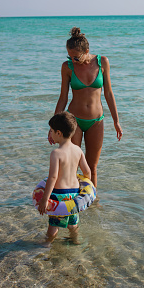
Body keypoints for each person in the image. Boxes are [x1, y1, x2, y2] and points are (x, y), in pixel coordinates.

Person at [49, 27, 123, 188]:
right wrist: (53, 127)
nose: (73, 60)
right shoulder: (67, 67)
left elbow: (109, 93)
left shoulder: (102, 62)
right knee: (72, 166)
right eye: (70, 56)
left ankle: (93, 206)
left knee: (92, 168)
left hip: (96, 121)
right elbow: (63, 97)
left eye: (76, 57)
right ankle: (70, 202)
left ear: (87, 51)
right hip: (73, 121)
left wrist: (116, 121)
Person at [39, 112, 92, 245]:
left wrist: (45, 199)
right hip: (74, 194)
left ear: (58, 133)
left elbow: (52, 177)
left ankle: (46, 245)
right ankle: (75, 241)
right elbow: (87, 172)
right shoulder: (78, 150)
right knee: (72, 224)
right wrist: (87, 189)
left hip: (59, 195)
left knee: (54, 225)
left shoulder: (56, 153)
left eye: (51, 131)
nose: (50, 134)